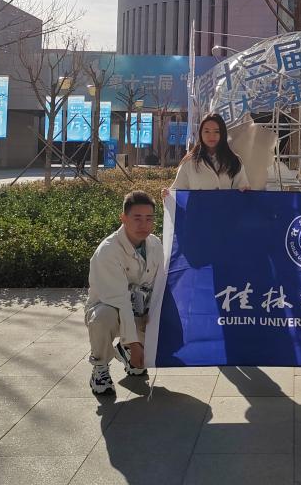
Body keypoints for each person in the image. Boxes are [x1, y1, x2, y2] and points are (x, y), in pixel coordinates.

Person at [85, 190, 163, 396]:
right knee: (103, 316)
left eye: (149, 218)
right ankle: (100, 367)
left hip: (140, 309)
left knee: (162, 311)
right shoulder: (108, 251)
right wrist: (135, 344)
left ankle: (126, 351)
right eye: (137, 218)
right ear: (123, 218)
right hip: (111, 308)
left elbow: (160, 285)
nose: (144, 224)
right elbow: (120, 301)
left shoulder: (155, 244)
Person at [168, 113, 250, 191]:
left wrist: (245, 191)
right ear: (201, 133)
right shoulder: (189, 162)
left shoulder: (234, 161)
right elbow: (178, 192)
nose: (211, 136)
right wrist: (168, 195)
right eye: (207, 131)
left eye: (216, 131)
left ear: (222, 134)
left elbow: (242, 190)